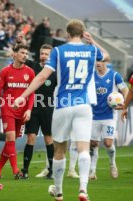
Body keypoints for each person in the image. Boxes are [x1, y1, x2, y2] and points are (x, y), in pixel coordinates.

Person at [14, 19, 110, 201]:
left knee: (60, 149)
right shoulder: (91, 50)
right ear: (83, 34)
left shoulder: (59, 51)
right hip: (83, 105)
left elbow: (42, 76)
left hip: (63, 104)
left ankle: (58, 191)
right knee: (83, 149)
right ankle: (83, 190)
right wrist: (92, 41)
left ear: (67, 34)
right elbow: (106, 55)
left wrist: (23, 96)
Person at [0, 44, 35, 179]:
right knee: (10, 138)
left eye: (26, 54)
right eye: (22, 53)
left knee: (11, 141)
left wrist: (28, 110)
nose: (25, 56)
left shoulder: (30, 72)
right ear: (14, 54)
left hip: (22, 111)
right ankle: (16, 171)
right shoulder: (5, 71)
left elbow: (32, 94)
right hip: (7, 109)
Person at [19, 44, 56, 180]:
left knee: (48, 139)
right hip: (32, 108)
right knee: (31, 137)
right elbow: (18, 55)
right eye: (42, 53)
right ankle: (25, 171)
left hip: (48, 109)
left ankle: (51, 170)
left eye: (47, 54)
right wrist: (19, 42)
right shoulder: (33, 66)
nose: (44, 56)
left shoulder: (55, 72)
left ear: (51, 56)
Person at [89, 61, 128, 180]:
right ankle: (92, 170)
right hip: (93, 115)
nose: (97, 63)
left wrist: (123, 106)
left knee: (108, 143)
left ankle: (112, 164)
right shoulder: (91, 76)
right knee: (93, 143)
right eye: (95, 61)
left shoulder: (114, 75)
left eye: (100, 61)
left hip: (109, 115)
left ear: (106, 62)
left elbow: (126, 90)